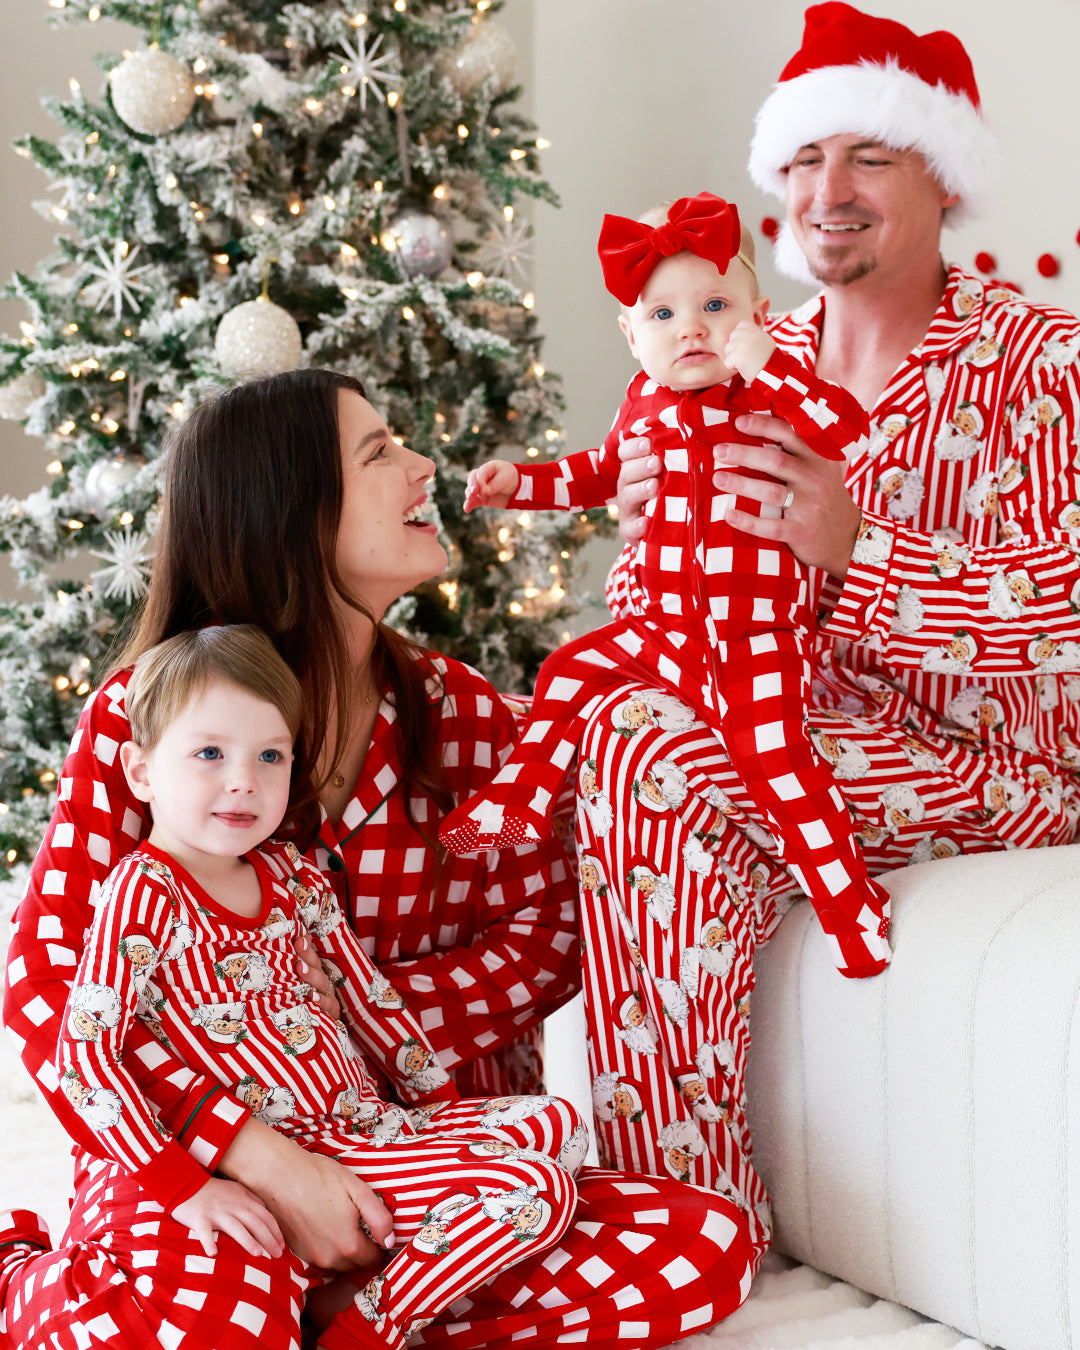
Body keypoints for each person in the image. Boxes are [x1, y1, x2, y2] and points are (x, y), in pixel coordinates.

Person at [1, 370, 759, 1350]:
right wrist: (267, 1153)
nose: (424, 466)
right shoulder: (155, 718)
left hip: (424, 1175)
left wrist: (343, 1053)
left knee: (701, 1244)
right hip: (207, 1173)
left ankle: (351, 1317)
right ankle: (46, 1282)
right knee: (218, 1299)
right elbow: (49, 992)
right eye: (380, 454)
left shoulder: (461, 713)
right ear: (289, 511)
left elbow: (545, 933)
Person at [582, 0, 1080, 1213]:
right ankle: (516, 1172)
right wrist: (647, 528)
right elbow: (664, 596)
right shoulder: (752, 356)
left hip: (999, 765)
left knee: (655, 761)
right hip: (786, 728)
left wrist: (857, 553)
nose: (827, 190)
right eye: (804, 159)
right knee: (583, 731)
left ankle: (677, 1219)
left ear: (943, 173)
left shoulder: (1044, 361)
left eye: (869, 153)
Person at [58, 621, 594, 1350]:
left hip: (363, 1137)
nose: (244, 779)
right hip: (274, 1159)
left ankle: (353, 1292)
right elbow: (84, 1056)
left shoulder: (292, 876)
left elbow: (371, 1004)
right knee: (539, 1191)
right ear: (142, 771)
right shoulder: (142, 891)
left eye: (270, 755)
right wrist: (185, 1186)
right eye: (210, 753)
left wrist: (437, 1118)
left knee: (554, 1129)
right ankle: (365, 1326)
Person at [441, 191, 891, 986]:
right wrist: (520, 482)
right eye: (663, 315)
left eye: (715, 306)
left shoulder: (769, 392)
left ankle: (848, 902)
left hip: (749, 635)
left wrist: (772, 365)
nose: (692, 328)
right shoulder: (642, 406)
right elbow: (597, 474)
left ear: (757, 314)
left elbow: (844, 427)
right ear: (631, 334)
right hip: (660, 629)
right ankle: (518, 797)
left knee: (778, 767)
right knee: (568, 672)